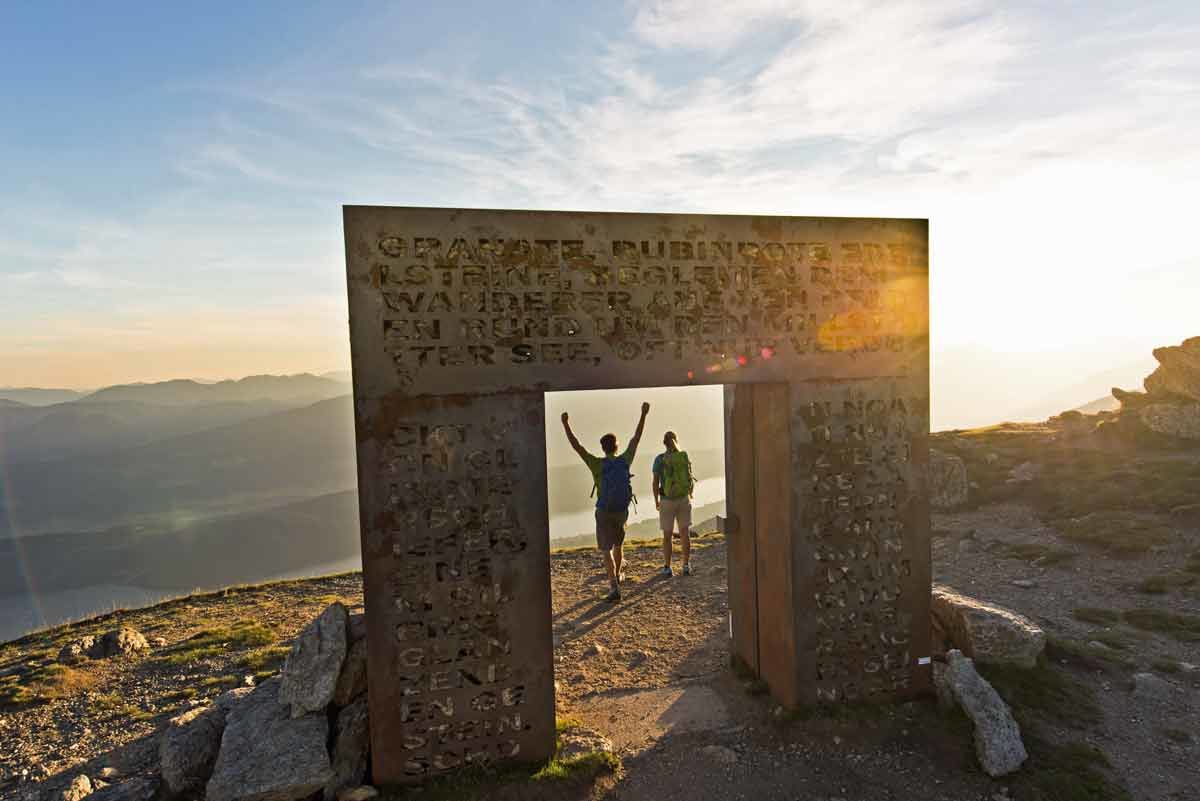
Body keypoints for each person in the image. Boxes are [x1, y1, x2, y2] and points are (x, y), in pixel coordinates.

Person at [561, 402, 650, 601]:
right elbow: (636, 438)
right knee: (618, 545)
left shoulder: (596, 464)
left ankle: (613, 586)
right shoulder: (625, 460)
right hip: (621, 510)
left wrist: (565, 424)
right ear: (616, 446)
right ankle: (618, 575)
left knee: (606, 550)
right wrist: (643, 414)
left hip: (603, 510)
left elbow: (577, 447)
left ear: (603, 448)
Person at [652, 430, 695, 577]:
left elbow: (655, 482)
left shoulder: (659, 459)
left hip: (666, 501)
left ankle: (667, 567)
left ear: (664, 443)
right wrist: (690, 493)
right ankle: (686, 565)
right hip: (683, 498)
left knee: (667, 535)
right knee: (685, 533)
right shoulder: (683, 456)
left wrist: (656, 500)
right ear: (676, 440)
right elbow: (689, 477)